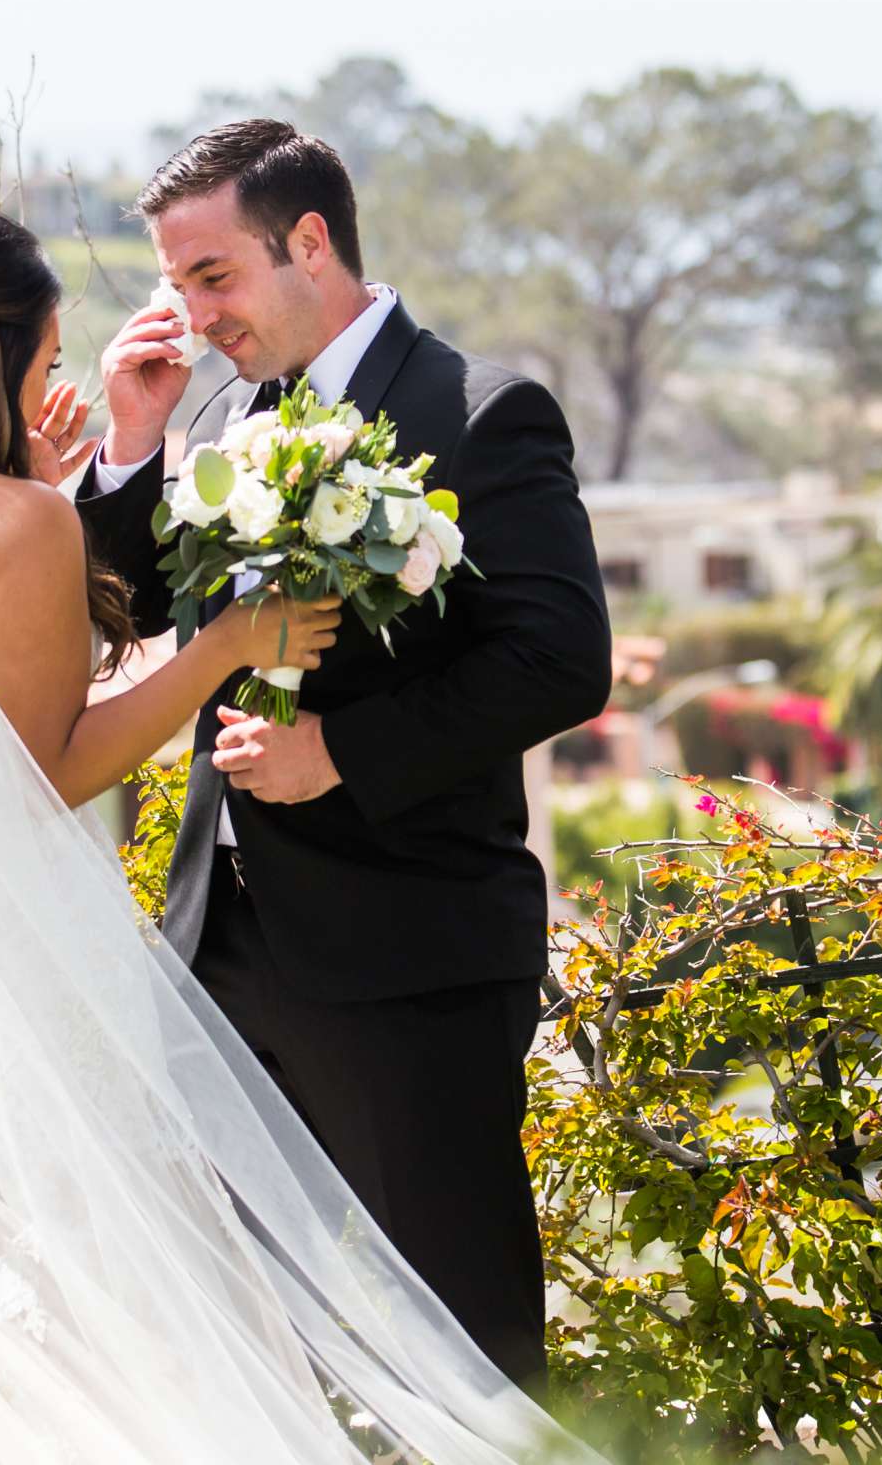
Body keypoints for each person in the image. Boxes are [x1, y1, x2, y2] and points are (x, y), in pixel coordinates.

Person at [0, 206, 586, 1461]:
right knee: (89, 1277)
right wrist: (225, 650)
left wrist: (55, 479)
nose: (51, 384)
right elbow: (41, 771)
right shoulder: (12, 525)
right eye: (39, 359)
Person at [74, 120, 614, 1395]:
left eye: (215, 278)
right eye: (178, 285)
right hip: (216, 952)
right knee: (224, 1342)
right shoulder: (217, 412)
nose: (196, 317)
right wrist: (135, 441)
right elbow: (133, 606)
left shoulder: (479, 414)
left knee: (469, 1347)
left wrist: (342, 754)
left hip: (405, 953)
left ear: (308, 242)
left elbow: (559, 659)